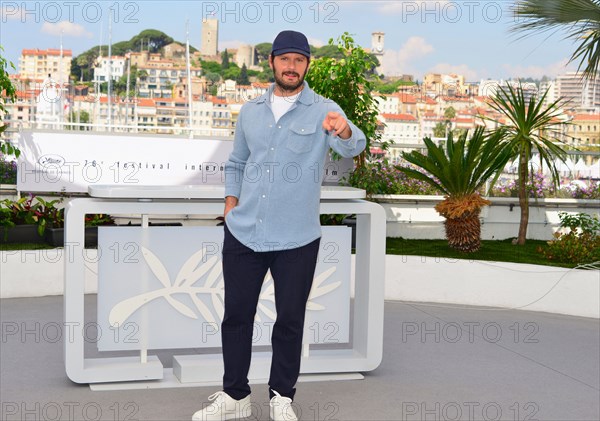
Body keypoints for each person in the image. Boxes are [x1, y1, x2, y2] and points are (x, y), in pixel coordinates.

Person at [192, 30, 366, 421]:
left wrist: (344, 130)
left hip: (297, 237)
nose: (291, 66)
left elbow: (355, 147)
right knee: (236, 317)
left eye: (299, 60)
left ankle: (281, 398)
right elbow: (236, 163)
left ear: (307, 65)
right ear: (271, 62)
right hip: (243, 232)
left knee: (290, 320)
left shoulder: (325, 110)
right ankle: (235, 398)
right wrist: (231, 204)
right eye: (285, 59)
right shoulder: (251, 110)